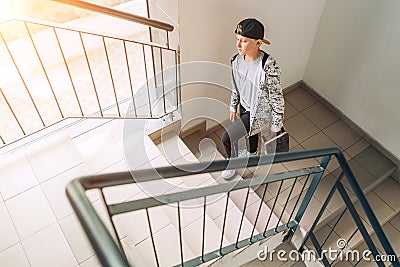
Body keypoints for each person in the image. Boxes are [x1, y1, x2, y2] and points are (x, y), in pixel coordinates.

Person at [221, 18, 285, 179]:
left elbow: (277, 98)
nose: (238, 45)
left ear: (258, 43)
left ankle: (233, 163)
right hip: (244, 106)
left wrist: (276, 124)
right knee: (251, 133)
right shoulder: (236, 60)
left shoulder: (268, 65)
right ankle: (253, 153)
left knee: (227, 139)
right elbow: (235, 86)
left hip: (258, 111)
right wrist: (232, 106)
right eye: (237, 40)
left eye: (243, 41)